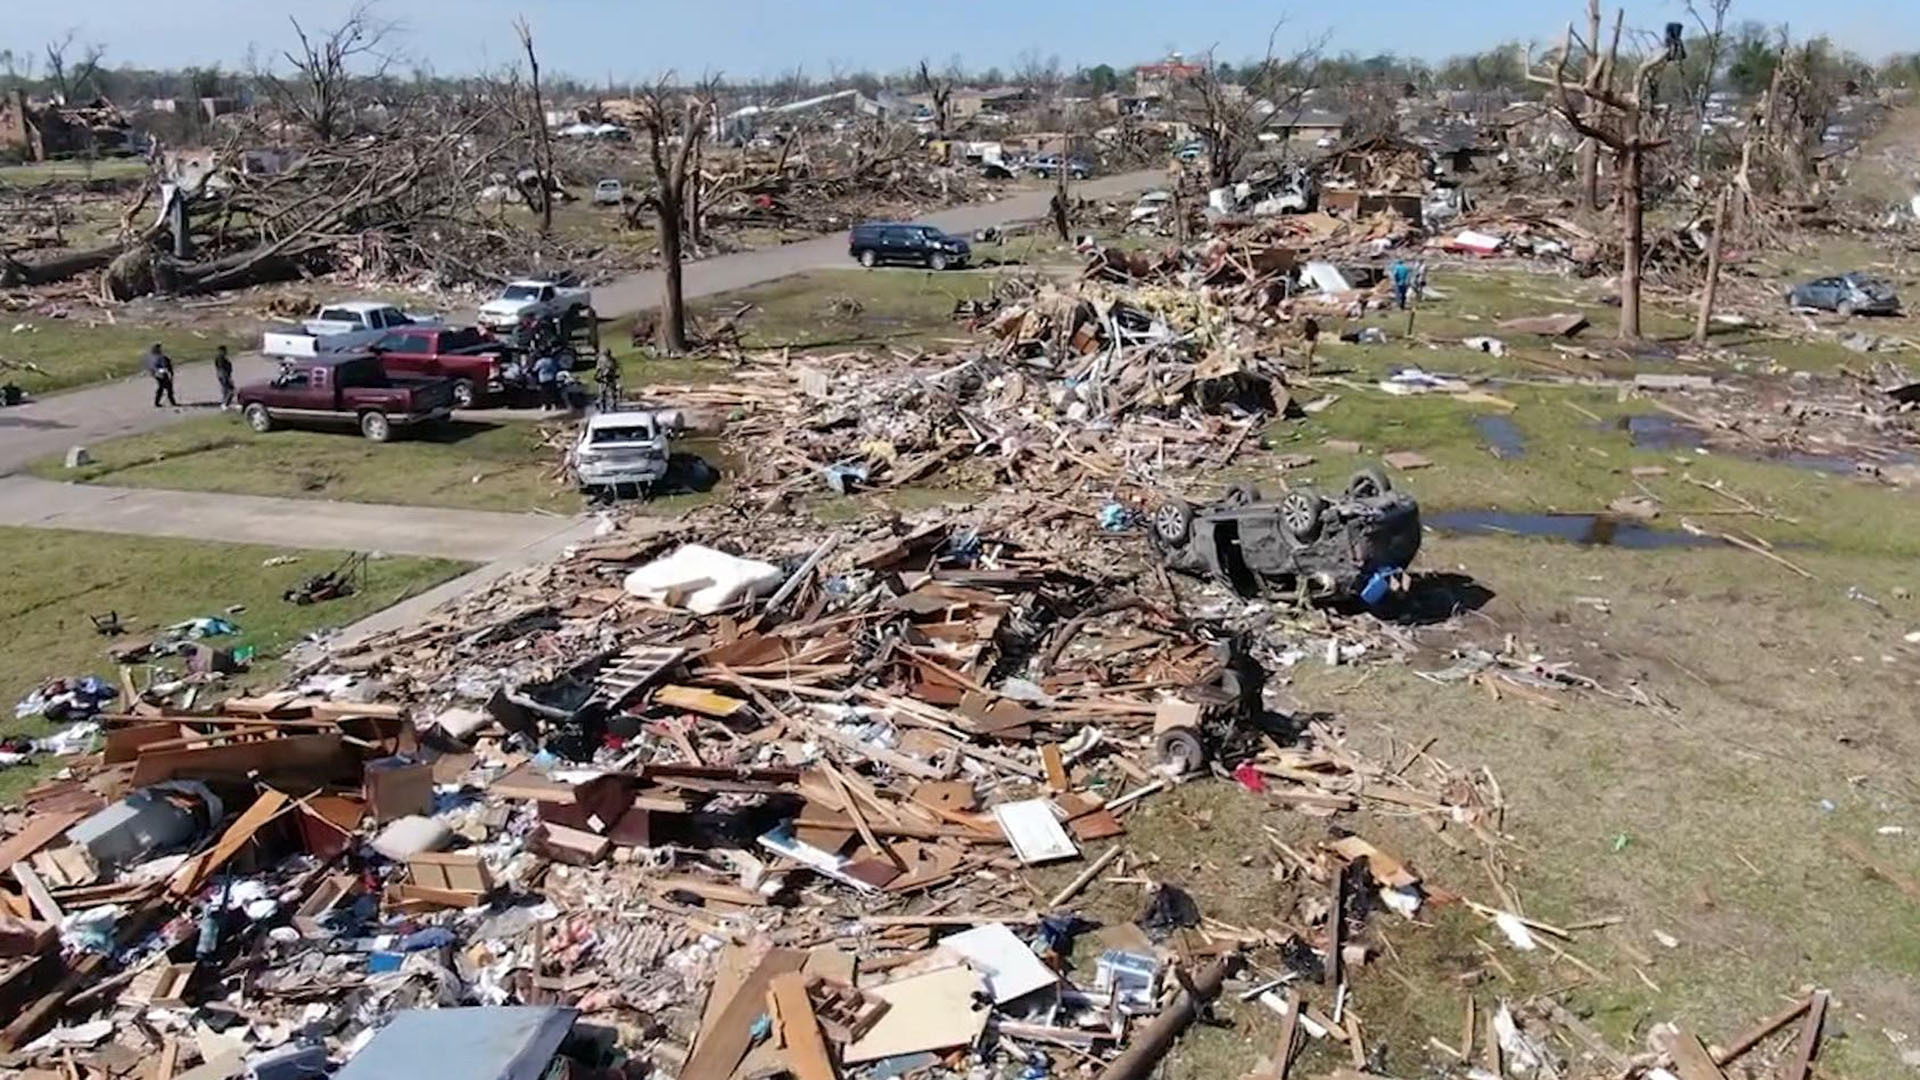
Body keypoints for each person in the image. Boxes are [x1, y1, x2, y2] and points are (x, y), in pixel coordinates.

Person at [212, 345, 235, 410]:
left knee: (226, 390)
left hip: (223, 375)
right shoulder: (220, 358)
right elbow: (222, 368)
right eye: (225, 350)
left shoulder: (221, 358)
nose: (226, 352)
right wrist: (227, 378)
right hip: (224, 376)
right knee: (230, 390)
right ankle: (225, 404)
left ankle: (226, 403)